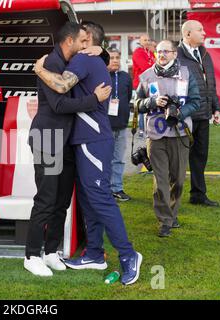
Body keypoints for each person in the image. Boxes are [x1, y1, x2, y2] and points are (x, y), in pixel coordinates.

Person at [34, 21, 142, 286]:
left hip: (92, 139)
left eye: (83, 39)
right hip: (85, 140)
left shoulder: (85, 59)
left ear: (90, 40)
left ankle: (129, 255)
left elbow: (60, 86)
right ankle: (94, 253)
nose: (78, 43)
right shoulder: (92, 58)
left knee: (100, 197)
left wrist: (38, 69)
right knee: (87, 197)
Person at [25, 21, 112, 277]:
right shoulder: (51, 63)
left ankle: (51, 252)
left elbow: (95, 60)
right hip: (48, 138)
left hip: (65, 141)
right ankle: (31, 255)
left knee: (62, 200)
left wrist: (102, 52)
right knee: (46, 199)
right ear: (69, 41)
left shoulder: (70, 61)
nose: (86, 46)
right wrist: (94, 100)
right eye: (82, 41)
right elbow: (59, 105)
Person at [136, 40, 200, 237]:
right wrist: (151, 102)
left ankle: (172, 213)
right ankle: (165, 221)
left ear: (174, 54)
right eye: (158, 51)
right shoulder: (146, 76)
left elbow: (196, 101)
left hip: (180, 134)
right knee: (161, 181)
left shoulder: (187, 74)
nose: (162, 54)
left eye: (166, 51)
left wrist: (180, 113)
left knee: (178, 180)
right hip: (155, 136)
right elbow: (136, 103)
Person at [178, 20, 220, 207]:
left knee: (200, 156)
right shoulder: (177, 56)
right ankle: (171, 197)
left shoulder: (205, 54)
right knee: (177, 158)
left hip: (203, 116)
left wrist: (216, 108)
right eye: (200, 30)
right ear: (188, 34)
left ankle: (198, 194)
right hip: (185, 116)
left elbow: (210, 84)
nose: (204, 33)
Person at [107, 48, 133, 201]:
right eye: (111, 58)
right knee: (105, 159)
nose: (115, 60)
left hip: (122, 125)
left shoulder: (125, 77)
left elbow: (128, 96)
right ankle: (104, 189)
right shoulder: (101, 76)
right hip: (106, 126)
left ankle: (117, 188)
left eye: (117, 57)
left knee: (119, 159)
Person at [132, 34, 155, 137]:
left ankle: (149, 128)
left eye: (148, 40)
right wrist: (153, 64)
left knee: (150, 105)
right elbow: (145, 67)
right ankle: (141, 130)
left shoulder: (150, 52)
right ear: (140, 41)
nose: (147, 42)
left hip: (150, 82)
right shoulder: (138, 52)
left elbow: (156, 64)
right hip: (140, 83)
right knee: (141, 106)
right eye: (145, 40)